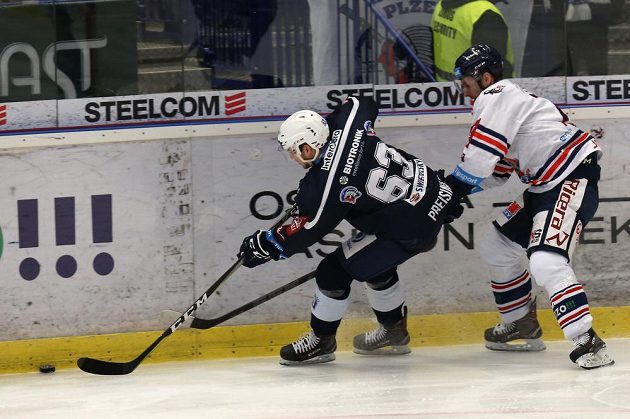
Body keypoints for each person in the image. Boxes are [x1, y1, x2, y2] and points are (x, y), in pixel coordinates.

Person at [237, 96, 464, 366]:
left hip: (410, 225)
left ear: (310, 147)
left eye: (295, 150)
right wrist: (333, 129)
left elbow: (308, 230)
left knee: (332, 273)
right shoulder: (350, 121)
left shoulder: (325, 185)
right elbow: (361, 102)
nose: (293, 158)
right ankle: (394, 332)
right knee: (375, 265)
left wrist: (266, 245)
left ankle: (321, 341)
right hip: (435, 194)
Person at [444, 44, 614, 369]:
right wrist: (453, 192)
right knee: (498, 246)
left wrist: (448, 191)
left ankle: (587, 340)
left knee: (546, 261)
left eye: (466, 84)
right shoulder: (506, 104)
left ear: (486, 77)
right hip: (545, 184)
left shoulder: (496, 97)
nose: (464, 92)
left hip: (568, 178)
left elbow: (478, 162)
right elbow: (496, 173)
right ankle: (520, 323)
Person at [431, 0, 514, 81]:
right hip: (475, 91)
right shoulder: (486, 15)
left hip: (444, 88)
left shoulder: (440, 5)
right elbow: (493, 70)